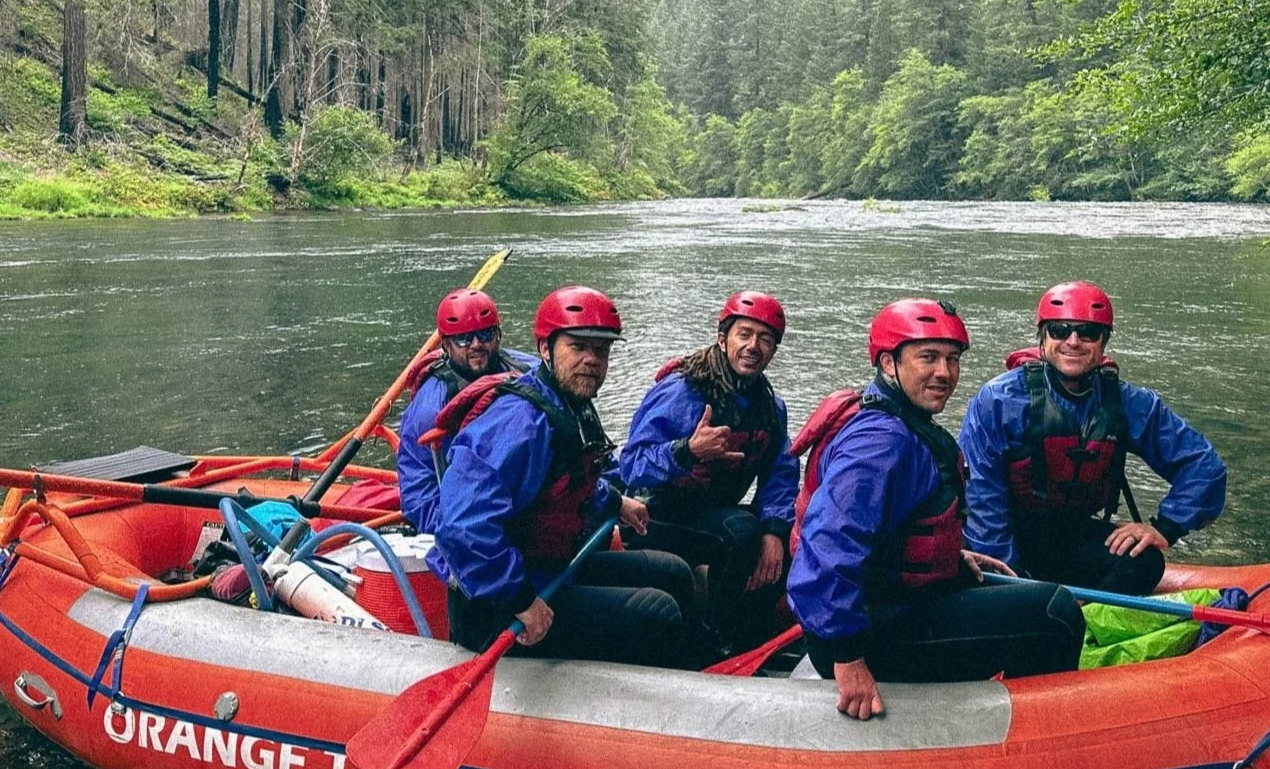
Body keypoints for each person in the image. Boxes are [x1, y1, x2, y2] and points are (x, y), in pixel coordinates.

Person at [787, 299, 1085, 720]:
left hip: (891, 608)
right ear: (889, 364)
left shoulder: (903, 421)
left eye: (952, 359)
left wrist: (950, 554)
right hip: (865, 639)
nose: (944, 373)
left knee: (1016, 591)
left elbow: (894, 527)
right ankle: (1035, 738)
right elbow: (826, 547)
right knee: (1055, 613)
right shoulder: (878, 443)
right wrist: (849, 658)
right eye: (927, 358)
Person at [429, 286, 696, 668]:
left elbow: (564, 480)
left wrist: (615, 501)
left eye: (601, 351)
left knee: (673, 573)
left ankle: (695, 671)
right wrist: (521, 601)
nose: (591, 360)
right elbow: (461, 527)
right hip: (496, 604)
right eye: (578, 347)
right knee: (657, 612)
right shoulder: (517, 421)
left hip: (547, 570)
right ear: (545, 349)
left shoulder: (570, 407)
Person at [959, 281, 1226, 596]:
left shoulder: (1127, 403)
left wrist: (1164, 527)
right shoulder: (999, 401)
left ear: (1103, 343)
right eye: (1059, 330)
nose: (1073, 341)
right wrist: (1012, 582)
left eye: (1087, 332)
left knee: (1145, 560)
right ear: (1043, 339)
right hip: (1006, 534)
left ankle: (1080, 620)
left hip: (1069, 534)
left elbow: (1203, 465)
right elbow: (982, 499)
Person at [620, 291, 798, 654]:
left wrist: (775, 531)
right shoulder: (681, 391)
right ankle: (712, 641)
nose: (754, 346)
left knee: (792, 539)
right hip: (652, 517)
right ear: (722, 339)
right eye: (744, 334)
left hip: (710, 517)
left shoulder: (769, 406)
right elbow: (631, 464)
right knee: (740, 531)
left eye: (765, 340)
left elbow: (781, 475)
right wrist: (687, 451)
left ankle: (748, 630)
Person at [397, 289, 537, 534]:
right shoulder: (429, 409)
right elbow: (419, 491)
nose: (476, 345)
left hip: (524, 493)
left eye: (485, 334)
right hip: (468, 509)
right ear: (446, 345)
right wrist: (455, 534)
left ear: (498, 335)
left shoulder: (530, 370)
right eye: (464, 339)